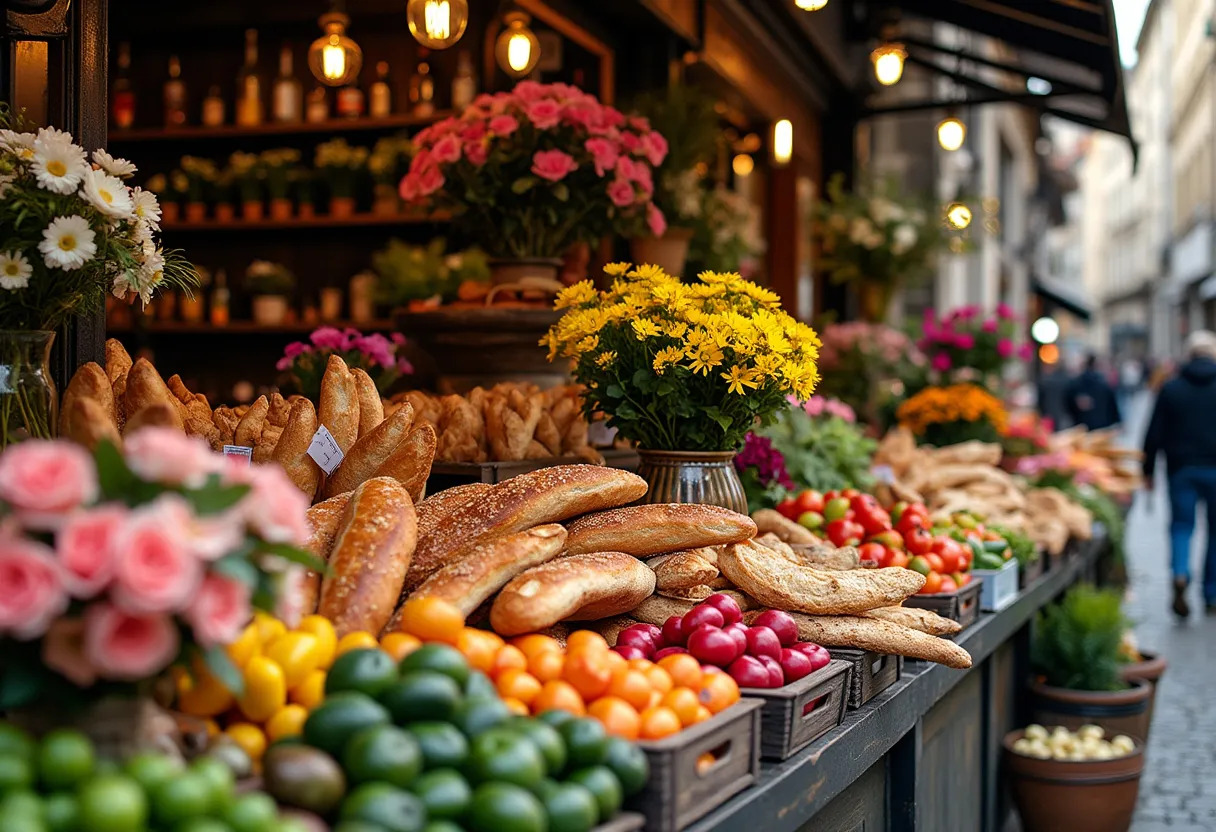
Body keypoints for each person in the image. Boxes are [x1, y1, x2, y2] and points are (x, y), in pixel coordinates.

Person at [1142, 330, 1216, 618]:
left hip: (1181, 470)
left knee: (1181, 527)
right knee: (1215, 533)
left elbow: (1154, 433)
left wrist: (1147, 471)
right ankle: (1211, 592)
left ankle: (1180, 573)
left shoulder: (1171, 388)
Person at [1065, 354, 1122, 430]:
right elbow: (1112, 406)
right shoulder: (1104, 384)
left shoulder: (1076, 384)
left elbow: (1068, 403)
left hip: (1082, 426)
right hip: (1102, 426)